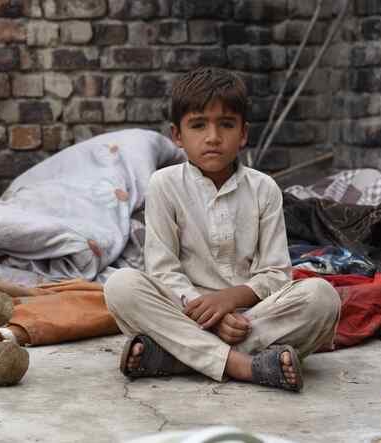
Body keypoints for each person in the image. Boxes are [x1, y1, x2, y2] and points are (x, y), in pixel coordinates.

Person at [103, 67, 341, 392]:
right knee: (120, 285)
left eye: (226, 125)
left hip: (253, 318)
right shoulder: (164, 184)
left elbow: (275, 273)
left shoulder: (264, 189)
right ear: (177, 136)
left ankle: (175, 357)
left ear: (243, 133)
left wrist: (231, 299)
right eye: (198, 125)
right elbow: (162, 270)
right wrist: (210, 316)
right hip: (185, 310)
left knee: (322, 297)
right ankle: (243, 365)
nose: (213, 137)